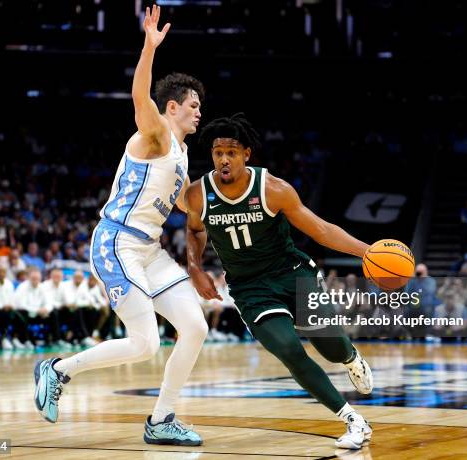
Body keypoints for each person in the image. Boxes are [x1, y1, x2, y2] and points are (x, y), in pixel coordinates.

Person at [33, 5, 207, 446]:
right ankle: (57, 370)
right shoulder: (156, 134)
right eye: (193, 105)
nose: (198, 112)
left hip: (149, 251)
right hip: (116, 244)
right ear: (173, 107)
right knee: (145, 342)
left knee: (196, 327)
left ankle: (162, 418)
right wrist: (149, 49)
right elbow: (139, 97)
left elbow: (193, 210)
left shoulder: (183, 158)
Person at [184, 113, 374, 450]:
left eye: (231, 152)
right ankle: (352, 419)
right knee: (287, 349)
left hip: (292, 274)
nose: (224, 159)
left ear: (246, 155)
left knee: (331, 345)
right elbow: (195, 230)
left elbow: (321, 230)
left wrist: (367, 252)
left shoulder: (273, 189)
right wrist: (194, 266)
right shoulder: (199, 194)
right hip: (249, 286)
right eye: (217, 153)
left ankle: (350, 358)